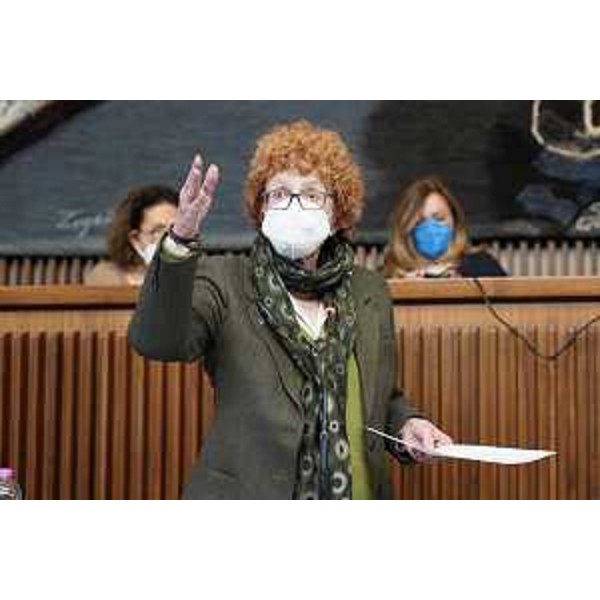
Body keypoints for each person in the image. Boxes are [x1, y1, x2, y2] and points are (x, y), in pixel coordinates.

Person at [128, 120, 452, 500]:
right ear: (262, 207)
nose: (295, 205)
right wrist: (180, 241)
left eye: (312, 194)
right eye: (280, 193)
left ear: (338, 213)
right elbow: (157, 341)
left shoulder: (369, 290)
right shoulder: (225, 280)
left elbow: (378, 393)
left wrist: (406, 424)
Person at [383, 176, 507, 278]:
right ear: (406, 227)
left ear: (455, 222)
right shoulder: (389, 274)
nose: (430, 227)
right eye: (420, 221)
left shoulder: (482, 266)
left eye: (439, 219)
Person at [84, 185, 178, 286]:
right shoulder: (107, 276)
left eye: (176, 228)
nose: (169, 237)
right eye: (157, 231)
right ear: (135, 239)